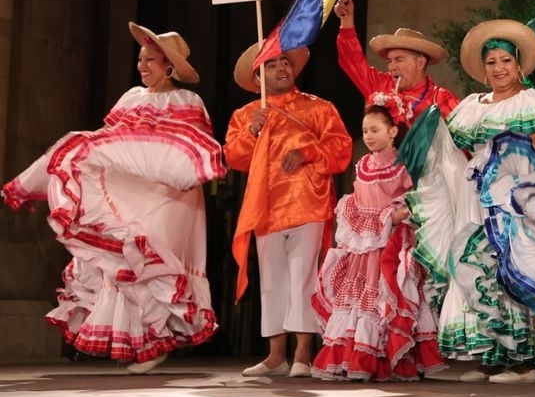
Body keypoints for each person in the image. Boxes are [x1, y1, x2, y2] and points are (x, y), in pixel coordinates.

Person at [1, 23, 225, 373]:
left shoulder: (187, 100)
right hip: (131, 190)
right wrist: (75, 157)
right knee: (126, 255)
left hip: (168, 196)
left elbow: (188, 152)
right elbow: (108, 142)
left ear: (169, 65)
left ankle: (153, 342)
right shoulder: (131, 97)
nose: (142, 66)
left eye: (150, 59)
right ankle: (143, 344)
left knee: (150, 258)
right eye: (141, 59)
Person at [399, 20, 535, 383]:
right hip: (476, 197)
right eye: (491, 62)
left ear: (518, 65)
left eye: (505, 60)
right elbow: (455, 149)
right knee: (478, 268)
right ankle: (494, 353)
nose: (498, 68)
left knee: (513, 268)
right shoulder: (472, 105)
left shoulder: (532, 101)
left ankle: (526, 360)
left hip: (515, 198)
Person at [225, 42, 353, 378]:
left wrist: (308, 151)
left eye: (285, 62)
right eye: (272, 65)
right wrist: (253, 129)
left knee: (303, 278)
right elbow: (233, 157)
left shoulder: (319, 108)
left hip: (307, 203)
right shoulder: (246, 115)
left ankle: (303, 355)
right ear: (258, 76)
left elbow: (341, 150)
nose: (282, 68)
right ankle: (275, 356)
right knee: (271, 282)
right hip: (265, 207)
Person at [310, 98, 444, 381]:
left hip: (392, 246)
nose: (369, 136)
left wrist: (394, 215)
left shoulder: (401, 166)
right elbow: (357, 202)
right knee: (362, 301)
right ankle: (357, 356)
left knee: (390, 298)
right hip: (365, 248)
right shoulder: (363, 165)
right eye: (366, 130)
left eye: (375, 130)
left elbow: (412, 200)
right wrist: (361, 229)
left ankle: (393, 356)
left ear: (392, 131)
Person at [333, 0, 459, 123]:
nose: (392, 67)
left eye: (399, 59)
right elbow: (353, 61)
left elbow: (463, 138)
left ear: (420, 62)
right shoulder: (382, 86)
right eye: (389, 61)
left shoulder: (441, 99)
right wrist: (346, 21)